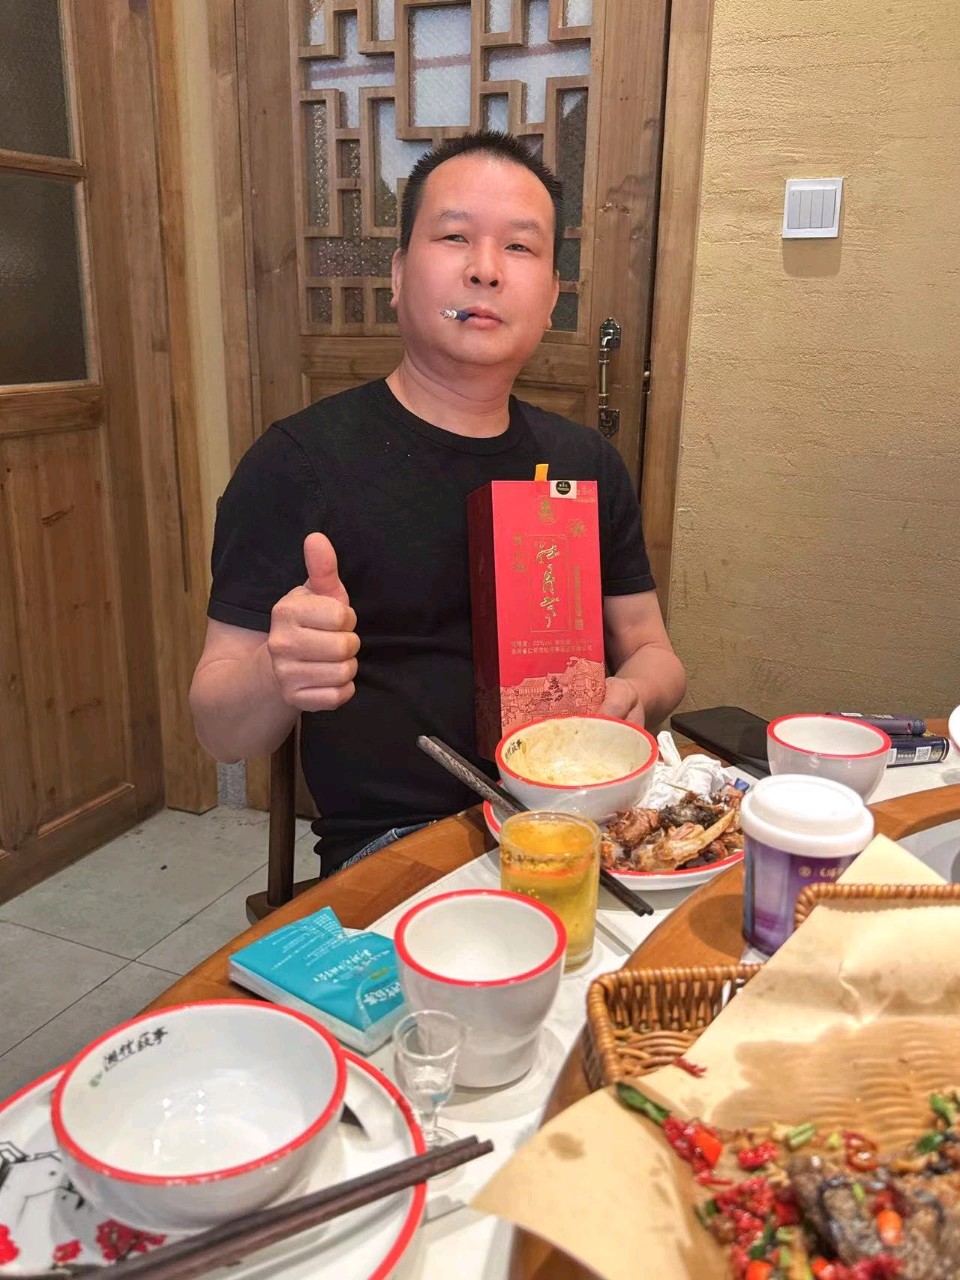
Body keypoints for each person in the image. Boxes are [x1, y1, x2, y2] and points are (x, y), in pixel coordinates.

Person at [190, 131, 686, 878]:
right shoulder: (298, 463)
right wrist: (276, 671)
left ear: (553, 295)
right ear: (398, 274)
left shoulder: (587, 465)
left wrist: (634, 693)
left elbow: (655, 653)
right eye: (455, 237)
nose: (485, 269)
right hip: (402, 844)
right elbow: (219, 730)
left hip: (578, 817)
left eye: (519, 247)